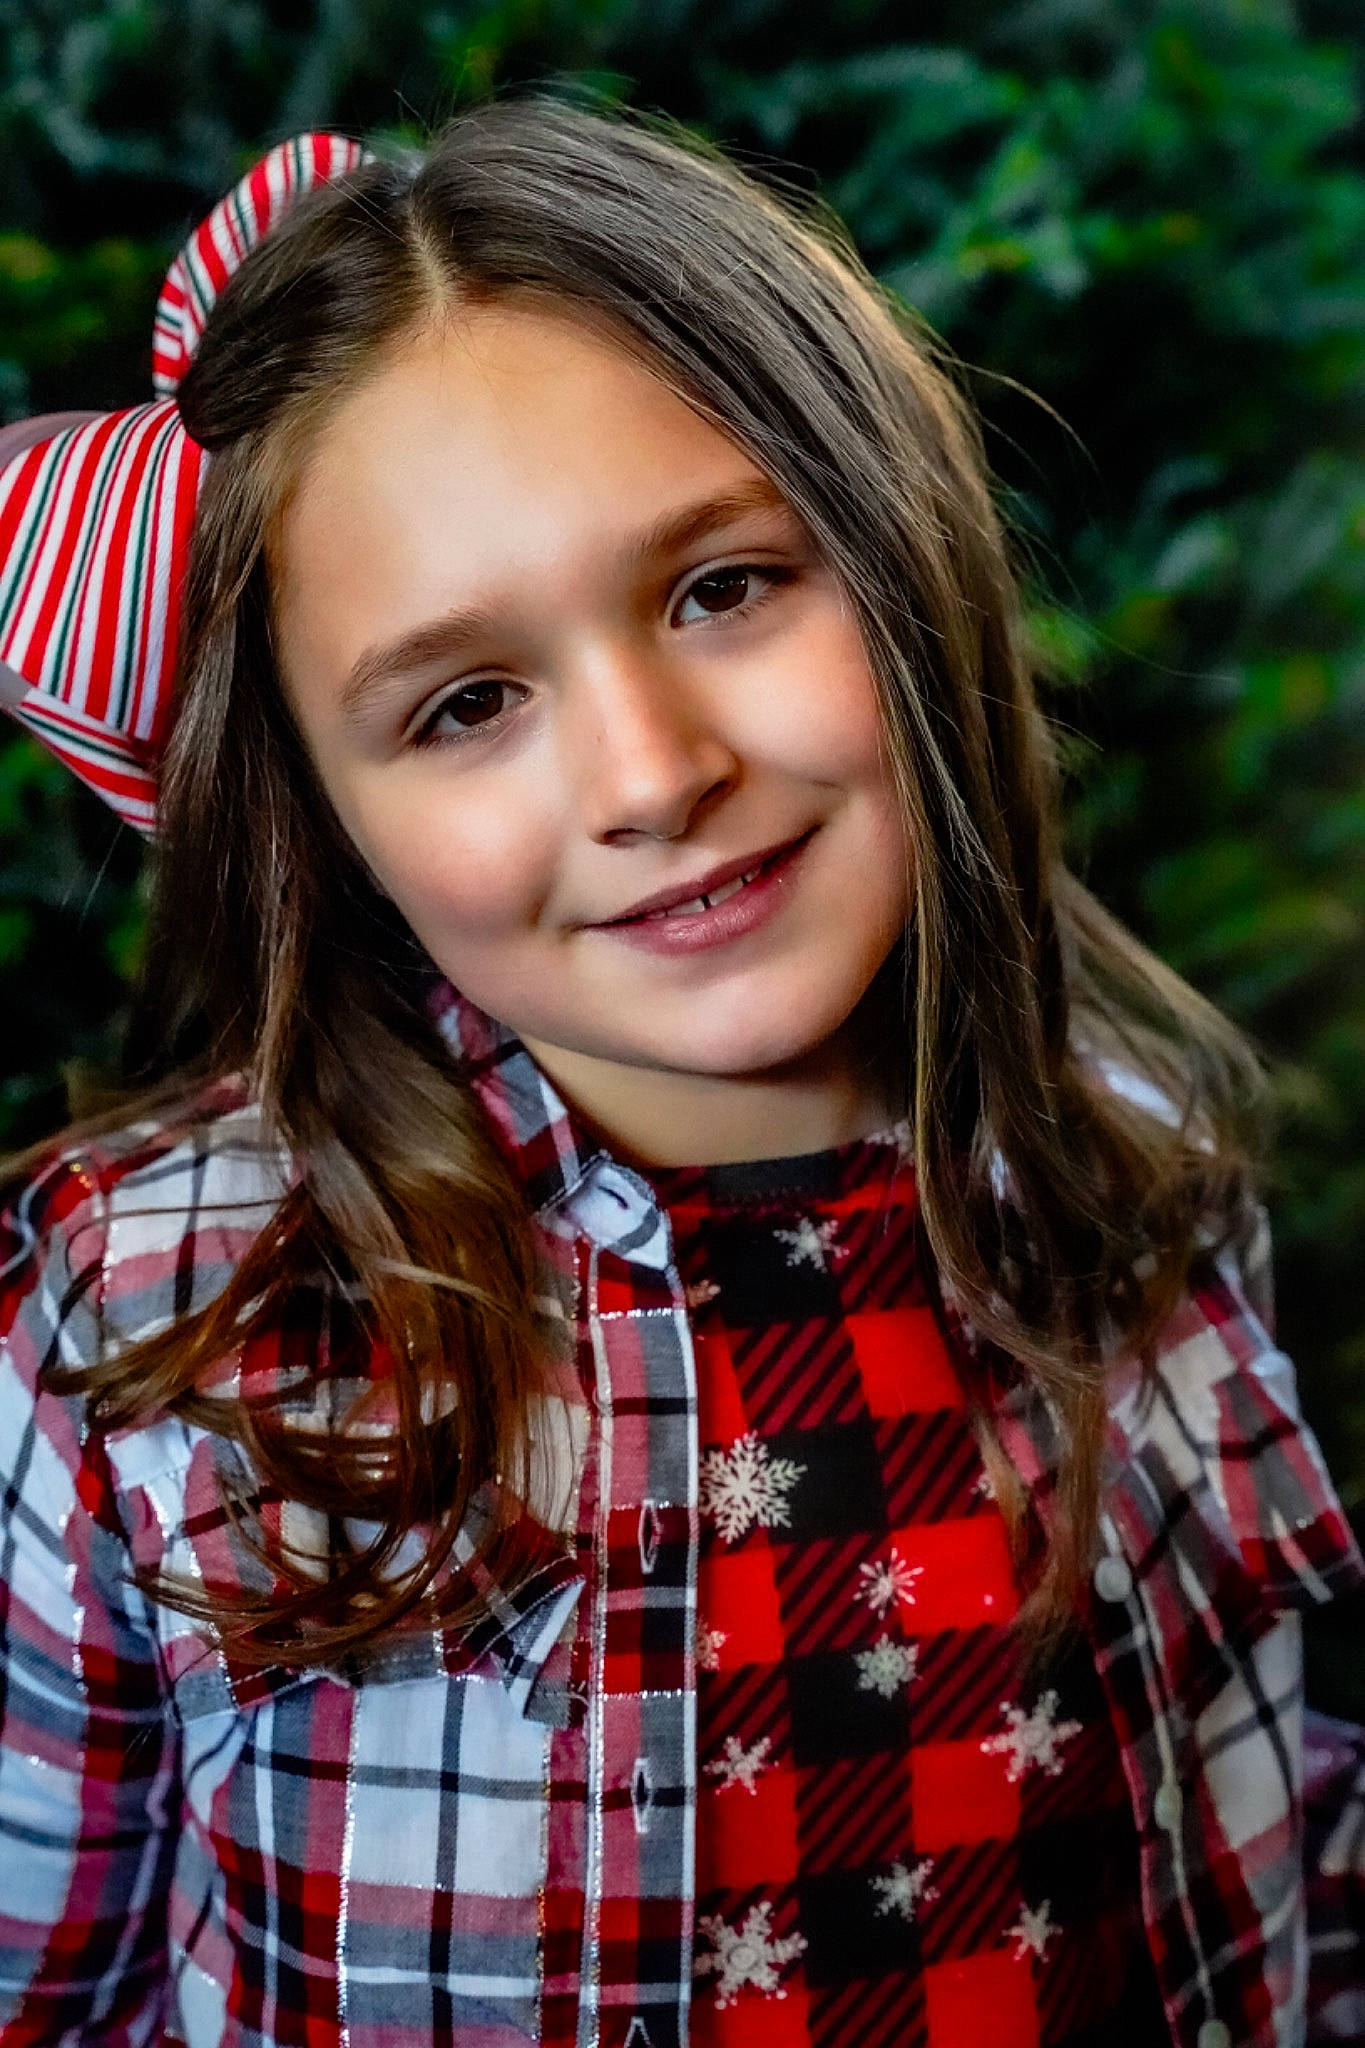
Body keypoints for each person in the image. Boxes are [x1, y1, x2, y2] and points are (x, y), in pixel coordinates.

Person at [0, 97, 1359, 2048]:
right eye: (467, 705)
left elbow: (1253, 1818)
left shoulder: (1129, 1173)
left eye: (722, 587)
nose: (650, 776)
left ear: (899, 557)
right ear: (321, 817)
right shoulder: (146, 1336)